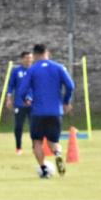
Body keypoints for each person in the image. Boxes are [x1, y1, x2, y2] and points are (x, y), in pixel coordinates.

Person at [17, 43, 74, 179]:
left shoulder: (32, 70)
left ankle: (43, 169)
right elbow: (70, 86)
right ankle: (58, 155)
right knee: (53, 141)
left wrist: (26, 99)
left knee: (37, 142)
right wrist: (66, 102)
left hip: (38, 112)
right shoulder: (59, 67)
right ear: (47, 52)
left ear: (35, 55)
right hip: (55, 111)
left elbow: (22, 90)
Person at [5, 49, 33, 155]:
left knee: (34, 126)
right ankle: (18, 147)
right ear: (22, 59)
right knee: (18, 126)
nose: (29, 60)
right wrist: (9, 98)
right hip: (19, 104)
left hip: (33, 104)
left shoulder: (35, 70)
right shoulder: (16, 71)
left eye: (31, 58)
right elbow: (11, 85)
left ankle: (35, 146)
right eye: (27, 58)